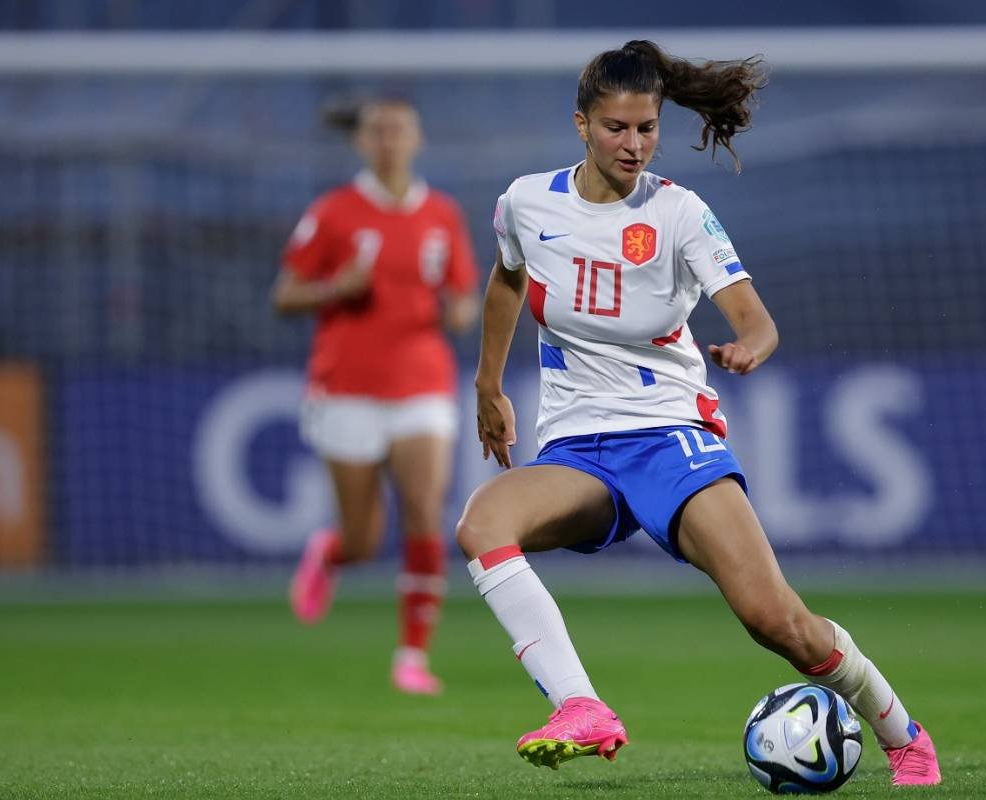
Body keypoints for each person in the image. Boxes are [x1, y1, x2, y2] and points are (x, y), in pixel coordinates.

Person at [455, 40, 942, 785]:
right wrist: (490, 386)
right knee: (482, 524)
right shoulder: (526, 201)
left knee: (775, 621)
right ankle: (581, 706)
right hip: (578, 449)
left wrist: (751, 345)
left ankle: (903, 733)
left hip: (669, 440)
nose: (635, 145)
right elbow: (505, 279)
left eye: (647, 128)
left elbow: (758, 319)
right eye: (617, 128)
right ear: (581, 125)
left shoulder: (679, 211)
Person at [273, 96, 480, 696]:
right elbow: (284, 294)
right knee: (364, 537)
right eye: (378, 131)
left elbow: (463, 297)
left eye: (399, 129)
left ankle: (412, 656)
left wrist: (459, 311)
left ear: (416, 138)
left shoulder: (441, 213)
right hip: (347, 386)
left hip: (420, 381)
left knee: (423, 510)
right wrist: (336, 288)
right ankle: (333, 554)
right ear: (362, 142)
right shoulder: (334, 212)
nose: (389, 139)